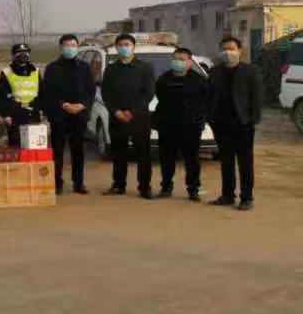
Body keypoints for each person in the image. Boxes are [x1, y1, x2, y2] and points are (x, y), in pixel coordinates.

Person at [207, 36, 263, 211]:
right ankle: (227, 195)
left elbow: (257, 97)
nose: (228, 52)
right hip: (221, 123)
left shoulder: (250, 71)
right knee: (226, 162)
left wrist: (253, 119)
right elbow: (209, 96)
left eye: (231, 48)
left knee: (245, 162)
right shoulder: (214, 72)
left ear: (239, 51)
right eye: (224, 49)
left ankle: (246, 198)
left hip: (243, 124)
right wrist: (211, 118)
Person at [101, 33, 155, 198]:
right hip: (117, 117)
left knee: (143, 154)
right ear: (116, 48)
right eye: (121, 45)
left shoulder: (145, 68)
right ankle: (119, 185)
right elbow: (106, 93)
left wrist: (132, 111)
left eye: (127, 44)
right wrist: (116, 111)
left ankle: (144, 187)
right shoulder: (111, 69)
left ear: (133, 47)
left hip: (139, 118)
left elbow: (149, 93)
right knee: (118, 153)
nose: (124, 47)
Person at [152, 47, 209, 201]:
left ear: (190, 62)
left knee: (192, 160)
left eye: (182, 59)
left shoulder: (199, 81)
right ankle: (166, 187)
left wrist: (200, 120)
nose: (178, 62)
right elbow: (160, 98)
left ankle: (193, 189)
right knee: (166, 158)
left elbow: (205, 102)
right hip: (167, 125)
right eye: (175, 59)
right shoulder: (164, 79)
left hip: (191, 126)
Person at [42, 35, 95, 195]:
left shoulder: (84, 67)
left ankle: (78, 183)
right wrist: (64, 104)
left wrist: (82, 105)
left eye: (73, 45)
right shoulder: (52, 68)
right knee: (58, 150)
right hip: (59, 115)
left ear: (77, 47)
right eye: (67, 45)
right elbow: (48, 92)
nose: (70, 48)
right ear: (61, 48)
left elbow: (90, 90)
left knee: (78, 150)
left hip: (79, 115)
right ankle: (57, 182)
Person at [0, 43, 42, 148]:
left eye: (26, 52)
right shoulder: (7, 72)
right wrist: (6, 115)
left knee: (34, 146)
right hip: (15, 115)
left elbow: (41, 93)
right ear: (13, 56)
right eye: (19, 53)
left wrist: (41, 110)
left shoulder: (36, 71)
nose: (23, 55)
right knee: (15, 146)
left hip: (33, 114)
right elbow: (2, 96)